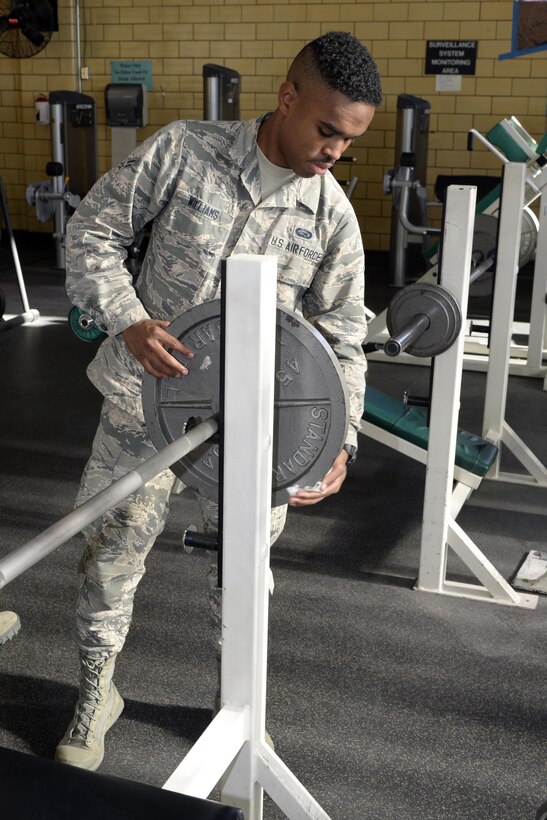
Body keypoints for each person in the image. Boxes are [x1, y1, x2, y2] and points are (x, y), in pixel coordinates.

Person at [55, 30, 382, 771]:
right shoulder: (184, 151)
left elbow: (343, 337)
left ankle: (240, 707)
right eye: (326, 130)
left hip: (253, 433)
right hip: (146, 401)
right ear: (287, 97)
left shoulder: (329, 215)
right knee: (109, 554)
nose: (334, 152)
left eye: (349, 140)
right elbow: (95, 232)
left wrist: (341, 438)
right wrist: (128, 319)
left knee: (241, 579)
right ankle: (95, 692)